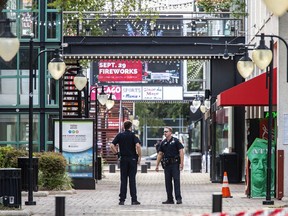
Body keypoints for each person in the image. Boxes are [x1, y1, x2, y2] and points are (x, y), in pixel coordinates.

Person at [110, 120, 142, 205]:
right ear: (131, 127)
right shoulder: (133, 135)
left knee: (123, 180)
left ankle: (122, 200)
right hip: (132, 160)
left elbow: (111, 145)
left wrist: (116, 153)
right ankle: (134, 200)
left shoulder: (120, 135)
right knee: (132, 180)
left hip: (123, 159)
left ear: (124, 127)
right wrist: (139, 156)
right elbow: (138, 146)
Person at [155, 127, 184, 204]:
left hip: (175, 164)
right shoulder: (163, 142)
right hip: (167, 165)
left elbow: (181, 151)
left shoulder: (176, 141)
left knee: (176, 181)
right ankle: (170, 199)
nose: (165, 133)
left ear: (171, 132)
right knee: (168, 182)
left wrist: (182, 163)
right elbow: (160, 154)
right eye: (164, 132)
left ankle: (178, 198)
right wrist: (157, 165)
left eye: (166, 131)